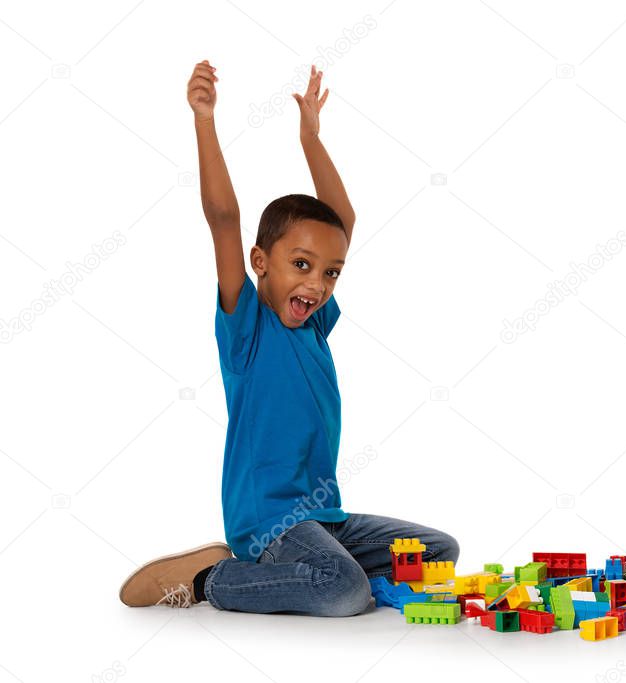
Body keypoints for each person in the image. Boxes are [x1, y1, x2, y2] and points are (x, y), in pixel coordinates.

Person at [118, 61, 458, 616]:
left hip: (325, 516)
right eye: (301, 264)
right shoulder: (248, 327)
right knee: (344, 591)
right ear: (260, 263)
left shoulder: (316, 326)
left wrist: (310, 138)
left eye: (330, 273)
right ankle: (213, 579)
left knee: (439, 552)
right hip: (268, 520)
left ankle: (311, 569)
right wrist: (205, 121)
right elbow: (223, 218)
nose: (316, 283)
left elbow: (341, 223)